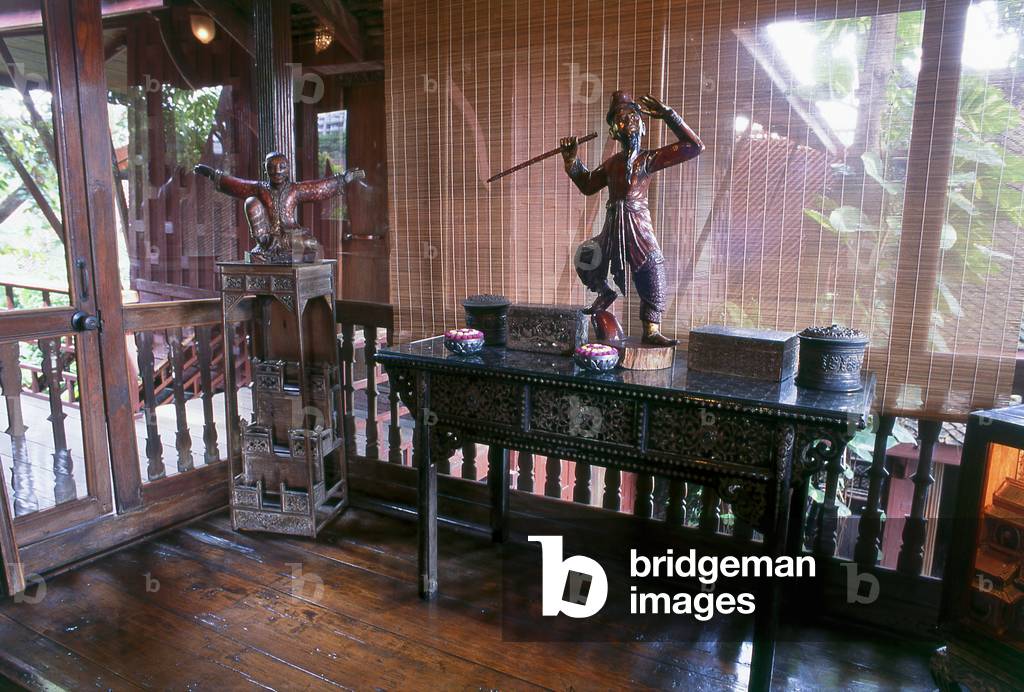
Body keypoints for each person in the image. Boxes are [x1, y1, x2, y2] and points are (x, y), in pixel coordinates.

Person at [560, 92, 703, 346]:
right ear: (614, 131)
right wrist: (572, 161)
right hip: (613, 224)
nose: (630, 122)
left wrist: (670, 116)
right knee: (586, 256)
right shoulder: (611, 164)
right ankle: (604, 293)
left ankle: (651, 328)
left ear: (644, 124)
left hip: (637, 224)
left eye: (634, 116)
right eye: (622, 119)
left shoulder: (648, 159)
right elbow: (588, 185)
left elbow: (693, 147)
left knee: (652, 267)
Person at [195, 152, 364, 263]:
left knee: (311, 244)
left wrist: (343, 179)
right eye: (271, 167)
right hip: (267, 237)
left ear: (288, 168)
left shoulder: (295, 189)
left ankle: (274, 251)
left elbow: (319, 188)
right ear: (265, 168)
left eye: (281, 167)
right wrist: (212, 174)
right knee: (251, 201)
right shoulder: (260, 188)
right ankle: (263, 247)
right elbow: (236, 185)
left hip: (289, 235)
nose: (277, 172)